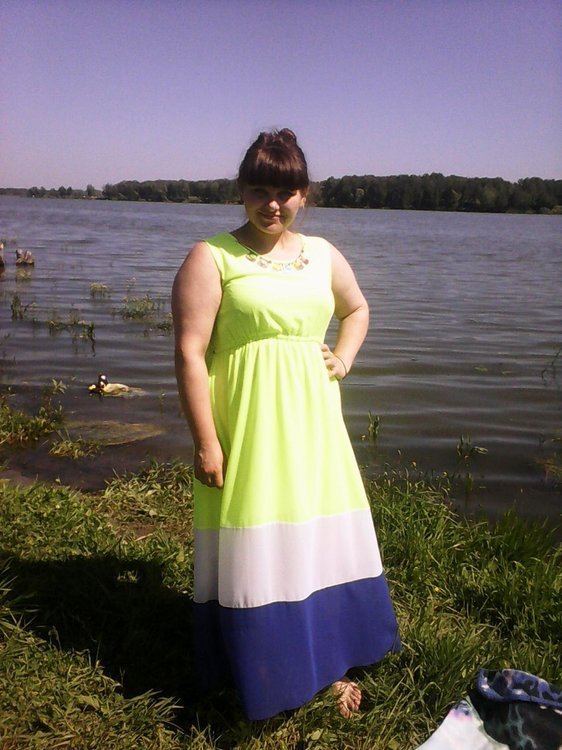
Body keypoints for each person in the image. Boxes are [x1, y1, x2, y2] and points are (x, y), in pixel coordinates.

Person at [172, 128, 399, 721]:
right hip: (248, 426)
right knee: (259, 542)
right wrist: (206, 441)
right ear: (241, 191)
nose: (272, 204)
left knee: (316, 536)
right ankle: (261, 665)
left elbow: (357, 308)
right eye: (259, 191)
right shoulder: (211, 257)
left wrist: (342, 358)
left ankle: (330, 658)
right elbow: (190, 353)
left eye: (285, 192)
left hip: (314, 426)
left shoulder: (322, 254)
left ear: (304, 194)